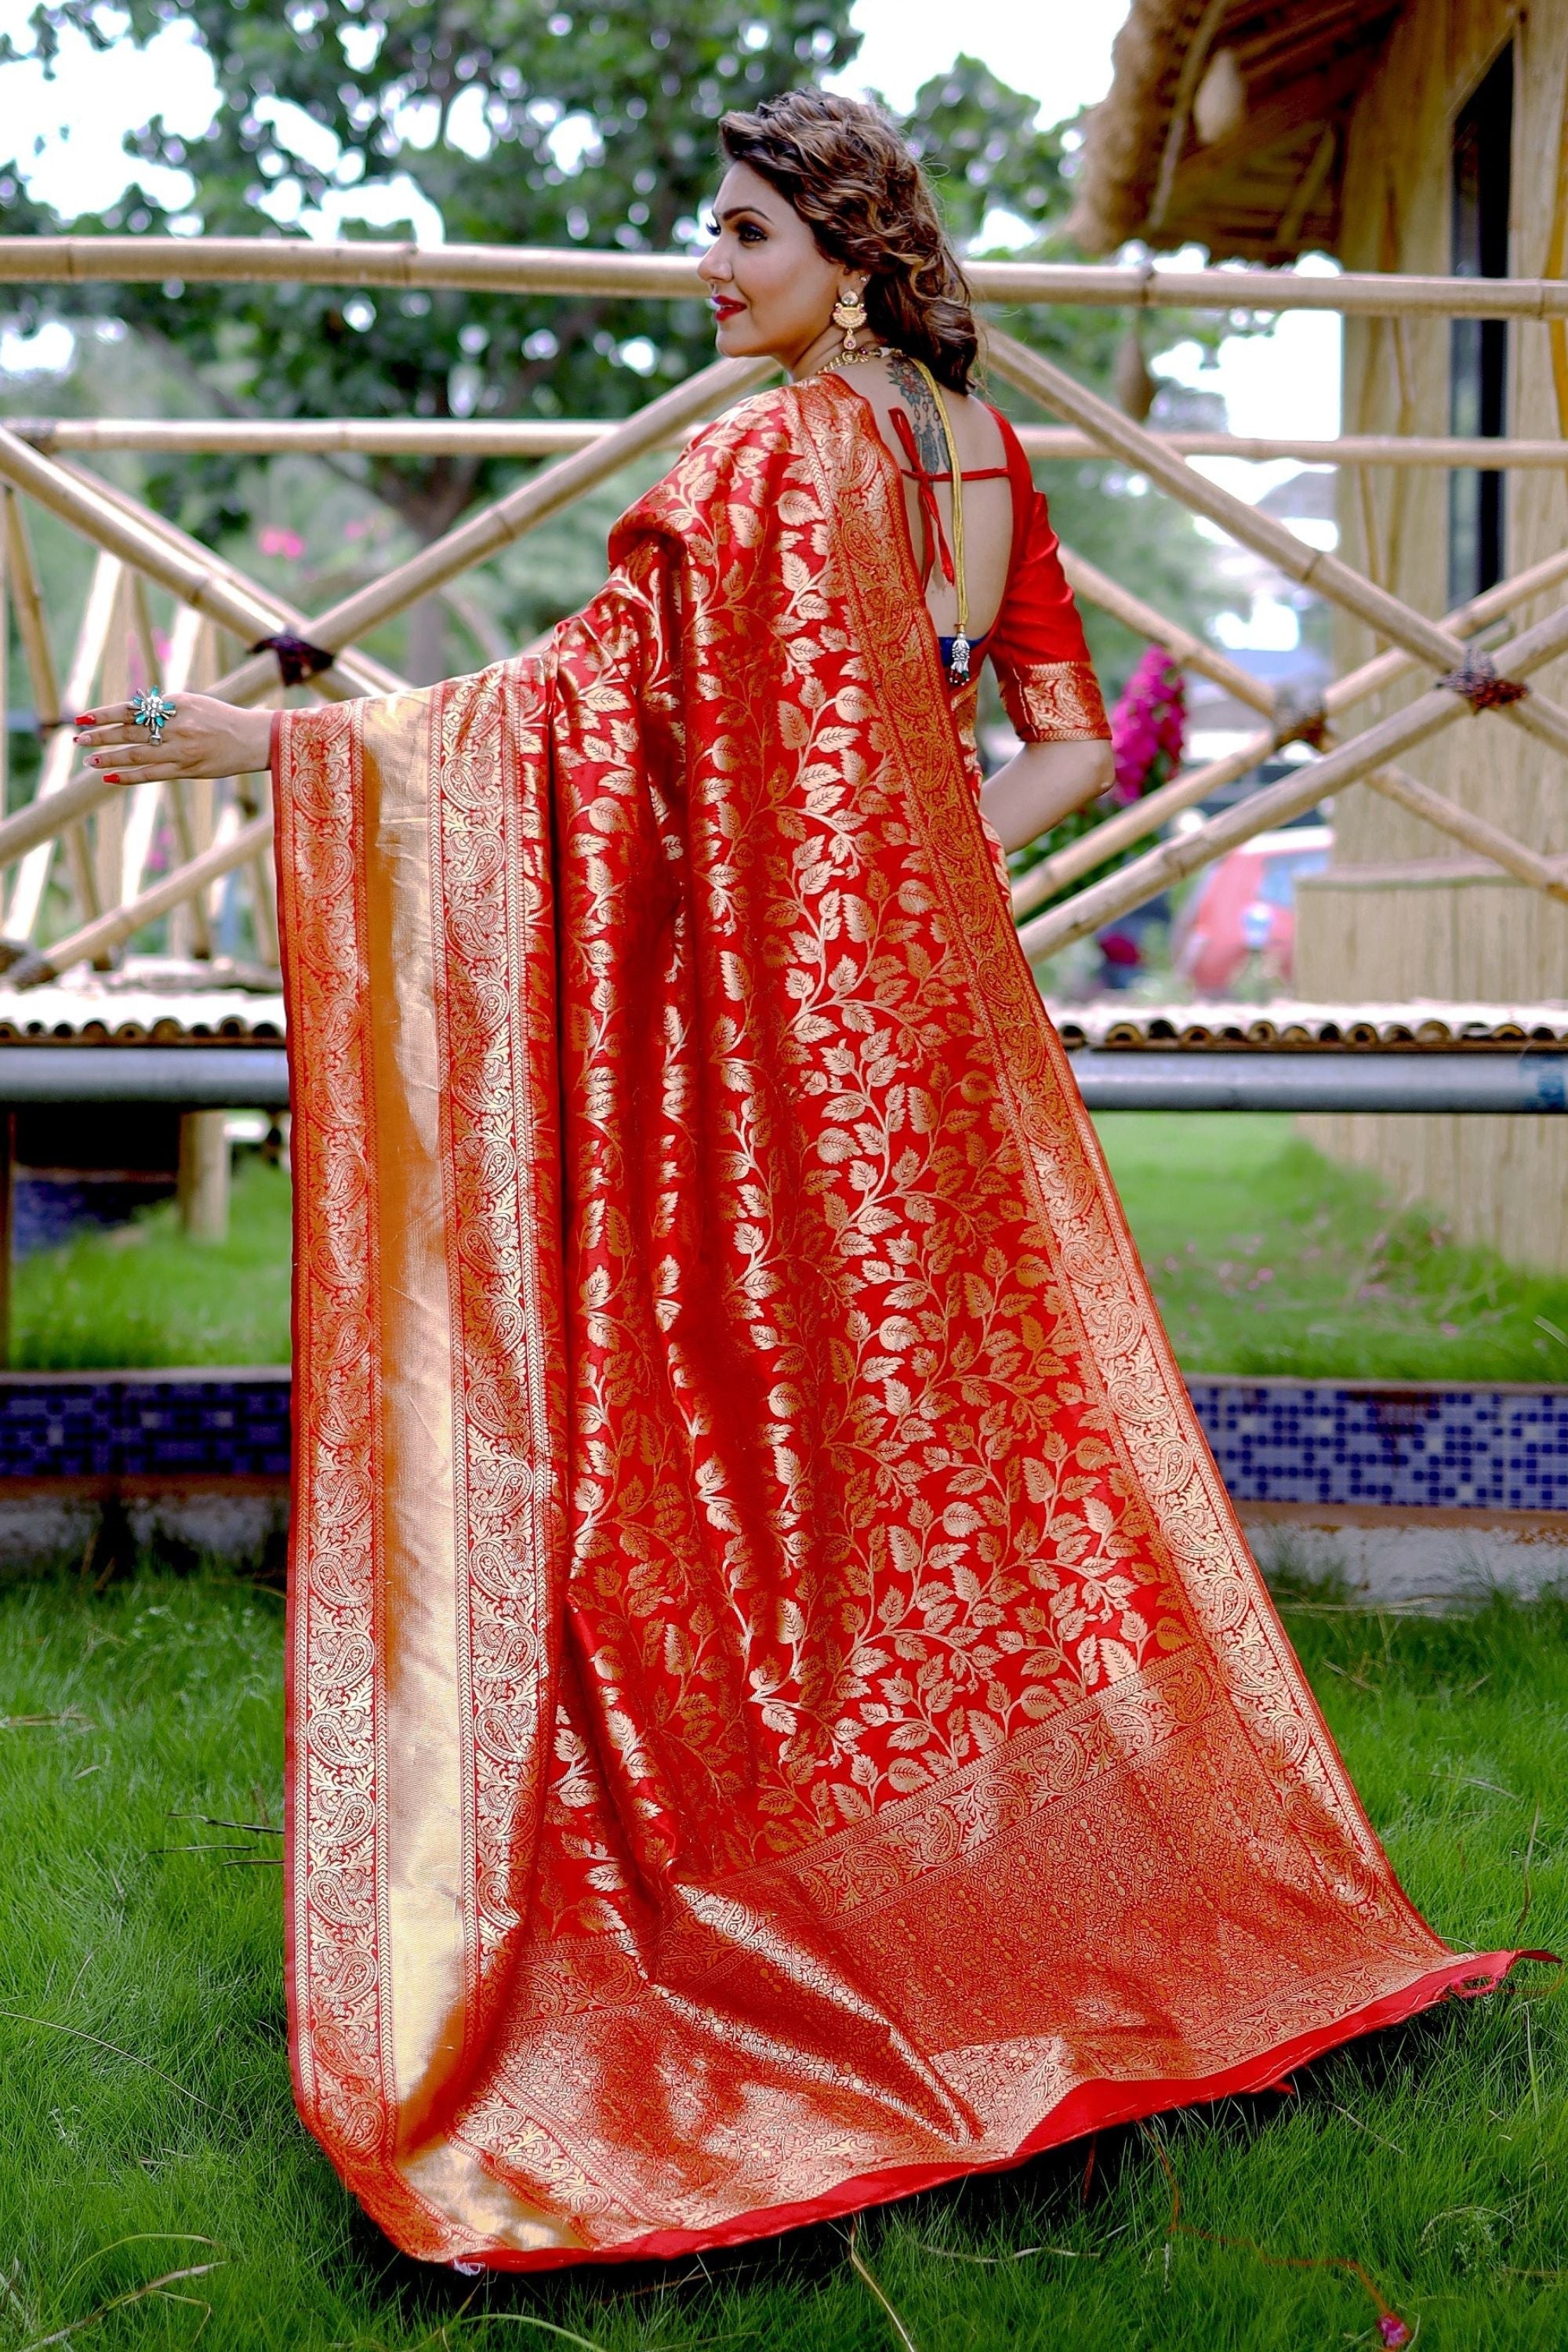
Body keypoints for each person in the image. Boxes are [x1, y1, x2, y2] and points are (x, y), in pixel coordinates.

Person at [74, 89, 1520, 2274]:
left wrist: (292, 745)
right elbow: (1052, 734)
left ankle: (807, 1893)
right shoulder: (962, 461)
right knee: (929, 1446)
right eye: (708, 227)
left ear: (848, 256)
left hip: (769, 1036)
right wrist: (910, 894)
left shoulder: (761, 459)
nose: (708, 264)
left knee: (742, 1432)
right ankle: (969, 1884)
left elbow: (575, 726)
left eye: (745, 232)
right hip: (911, 1027)